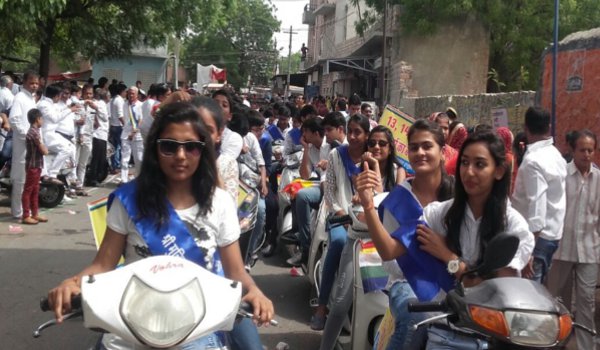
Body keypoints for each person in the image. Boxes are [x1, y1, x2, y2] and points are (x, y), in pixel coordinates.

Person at [47, 102, 274, 349]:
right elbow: (103, 264)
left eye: (191, 147)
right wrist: (72, 282)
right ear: (155, 150)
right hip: (130, 325)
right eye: (169, 146)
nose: (180, 155)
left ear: (203, 151)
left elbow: (236, 272)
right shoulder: (129, 200)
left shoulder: (219, 203)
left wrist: (255, 291)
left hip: (194, 327)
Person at [356, 129, 534, 349]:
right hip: (445, 332)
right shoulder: (439, 213)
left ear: (498, 171)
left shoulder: (514, 226)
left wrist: (449, 258)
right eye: (465, 163)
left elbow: (496, 293)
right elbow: (390, 251)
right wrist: (368, 205)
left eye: (479, 164)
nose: (469, 172)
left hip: (489, 337)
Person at [355, 120, 453, 349]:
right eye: (414, 147)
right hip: (406, 281)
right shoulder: (397, 201)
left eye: (427, 146)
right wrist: (368, 206)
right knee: (416, 317)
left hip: (454, 279)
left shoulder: (458, 196)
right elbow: (390, 255)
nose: (420, 152)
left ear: (442, 151)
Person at [318, 122, 402, 348]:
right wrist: (372, 166)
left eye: (382, 143)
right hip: (358, 241)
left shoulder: (398, 172)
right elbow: (369, 201)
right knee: (341, 302)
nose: (376, 147)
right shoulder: (361, 169)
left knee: (394, 305)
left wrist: (374, 164)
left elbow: (391, 206)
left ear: (391, 147)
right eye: (372, 143)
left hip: (387, 246)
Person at [314, 114, 368, 337]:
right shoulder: (337, 154)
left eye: (359, 132)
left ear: (366, 135)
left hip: (366, 220)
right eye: (351, 131)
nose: (354, 136)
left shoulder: (372, 158)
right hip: (339, 215)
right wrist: (340, 212)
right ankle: (322, 305)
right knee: (337, 241)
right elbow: (330, 191)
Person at [547, 129, 600, 350]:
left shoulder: (599, 179)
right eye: (582, 150)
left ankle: (587, 347)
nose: (586, 154)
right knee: (560, 302)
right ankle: (558, 344)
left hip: (590, 250)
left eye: (590, 150)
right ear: (572, 150)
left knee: (587, 302)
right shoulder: (562, 176)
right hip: (562, 249)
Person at [511, 106, 567, 284]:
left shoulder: (534, 161)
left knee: (528, 294)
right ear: (549, 127)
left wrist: (528, 250)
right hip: (551, 235)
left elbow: (537, 210)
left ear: (526, 128)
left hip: (536, 239)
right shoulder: (555, 155)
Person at [8, 71, 39, 219]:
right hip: (22, 145)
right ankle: (17, 212)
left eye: (36, 83)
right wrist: (26, 135)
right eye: (32, 83)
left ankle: (29, 211)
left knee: (31, 180)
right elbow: (14, 120)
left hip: (32, 146)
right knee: (20, 179)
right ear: (24, 82)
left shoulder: (31, 99)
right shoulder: (19, 98)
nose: (34, 86)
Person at [21, 108, 49, 225]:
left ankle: (35, 213)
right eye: (41, 118)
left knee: (35, 189)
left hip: (36, 164)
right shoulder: (33, 133)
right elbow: (44, 150)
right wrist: (44, 148)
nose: (42, 121)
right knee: (29, 190)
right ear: (37, 119)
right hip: (33, 165)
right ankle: (26, 215)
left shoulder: (35, 131)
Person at [120, 86, 143, 184]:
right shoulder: (124, 104)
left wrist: (134, 132)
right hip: (126, 135)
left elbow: (141, 121)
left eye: (133, 93)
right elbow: (120, 116)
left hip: (137, 135)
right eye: (129, 93)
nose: (130, 95)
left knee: (138, 159)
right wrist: (126, 127)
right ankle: (124, 180)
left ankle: (138, 179)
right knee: (124, 158)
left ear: (137, 95)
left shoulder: (141, 105)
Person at [87, 88, 109, 186]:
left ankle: (95, 178)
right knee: (98, 158)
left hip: (101, 134)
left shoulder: (99, 104)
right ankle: (93, 179)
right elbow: (104, 117)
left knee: (99, 158)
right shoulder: (101, 104)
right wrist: (97, 109)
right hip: (99, 134)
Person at [213, 89, 243, 159]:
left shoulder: (234, 138)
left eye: (224, 105)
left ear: (230, 116)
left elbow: (223, 165)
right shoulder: (198, 130)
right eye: (215, 103)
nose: (219, 107)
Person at [108, 83, 127, 172]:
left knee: (114, 147)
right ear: (122, 91)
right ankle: (117, 165)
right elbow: (120, 114)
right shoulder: (119, 100)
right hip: (118, 126)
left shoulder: (112, 100)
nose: (126, 93)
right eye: (125, 91)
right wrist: (125, 125)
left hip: (113, 125)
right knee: (121, 147)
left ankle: (114, 166)